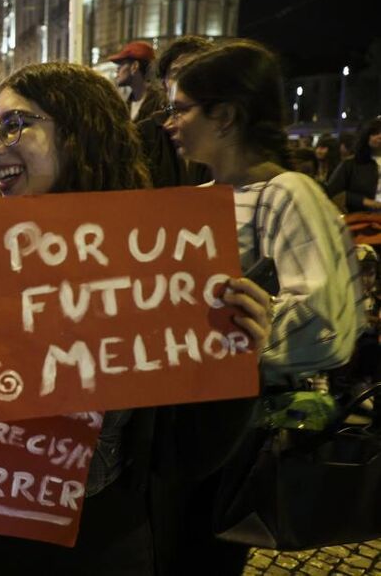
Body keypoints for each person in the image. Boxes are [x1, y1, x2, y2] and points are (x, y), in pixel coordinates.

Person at [0, 62, 274, 575]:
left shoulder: (155, 261)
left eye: (14, 125)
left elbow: (187, 453)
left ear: (80, 132)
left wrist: (239, 359)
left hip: (103, 542)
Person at [162, 40, 366, 573]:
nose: (169, 123)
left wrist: (257, 326)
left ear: (225, 115)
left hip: (239, 436)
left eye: (181, 109)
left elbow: (328, 322)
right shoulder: (199, 197)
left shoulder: (287, 193)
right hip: (183, 428)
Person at [139, 35, 214, 187]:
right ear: (164, 84)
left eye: (195, 71)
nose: (185, 80)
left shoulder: (222, 134)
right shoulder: (144, 134)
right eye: (176, 73)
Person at [325, 116, 381, 212]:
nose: (380, 136)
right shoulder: (351, 164)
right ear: (366, 136)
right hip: (361, 220)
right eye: (375, 133)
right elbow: (331, 192)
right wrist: (364, 201)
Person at [109, 40, 166, 123]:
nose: (117, 70)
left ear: (135, 66)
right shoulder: (126, 105)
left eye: (121, 64)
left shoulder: (159, 102)